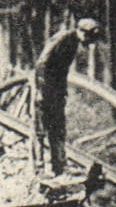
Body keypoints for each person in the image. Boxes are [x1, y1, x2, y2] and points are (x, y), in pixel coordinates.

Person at [32, 17, 102, 177]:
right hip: (44, 88)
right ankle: (39, 168)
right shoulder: (62, 38)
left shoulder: (74, 43)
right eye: (89, 38)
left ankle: (59, 167)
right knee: (41, 129)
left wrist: (62, 92)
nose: (89, 43)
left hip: (56, 91)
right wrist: (41, 91)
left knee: (58, 128)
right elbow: (42, 63)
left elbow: (62, 71)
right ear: (82, 31)